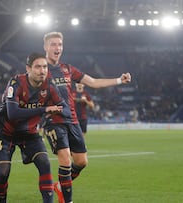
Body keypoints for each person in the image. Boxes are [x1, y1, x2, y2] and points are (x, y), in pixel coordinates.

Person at [42, 32, 132, 203]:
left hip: (72, 120)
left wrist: (119, 80)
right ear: (45, 47)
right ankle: (67, 200)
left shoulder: (67, 69)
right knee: (65, 159)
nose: (57, 48)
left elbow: (93, 82)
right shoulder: (41, 69)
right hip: (53, 121)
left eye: (60, 44)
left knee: (82, 162)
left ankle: (60, 187)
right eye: (53, 44)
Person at [0, 52, 70, 203]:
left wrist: (56, 112)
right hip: (6, 133)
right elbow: (13, 113)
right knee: (3, 173)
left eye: (45, 67)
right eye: (38, 67)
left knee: (44, 162)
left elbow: (66, 109)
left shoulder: (50, 85)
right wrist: (45, 109)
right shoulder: (15, 83)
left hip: (30, 133)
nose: (42, 71)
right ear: (28, 68)